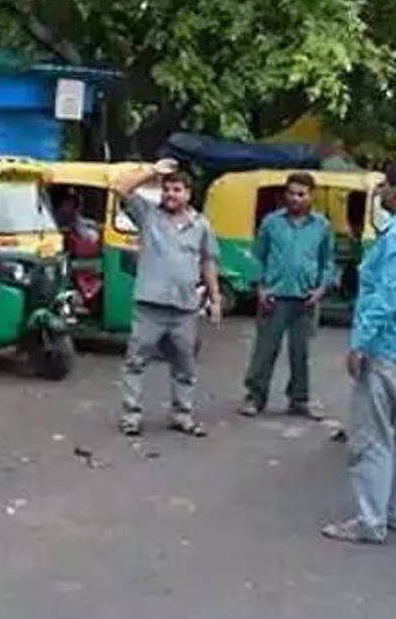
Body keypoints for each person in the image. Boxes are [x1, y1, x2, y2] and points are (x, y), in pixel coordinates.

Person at [322, 160, 396, 544]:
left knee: (372, 438)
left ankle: (370, 520)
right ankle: (394, 511)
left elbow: (386, 295)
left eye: (386, 185)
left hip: (385, 346)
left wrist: (360, 343)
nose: (381, 190)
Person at [113, 159, 223, 437]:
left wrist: (215, 298)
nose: (170, 195)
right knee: (136, 361)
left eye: (177, 190)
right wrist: (153, 171)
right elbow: (119, 188)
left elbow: (208, 261)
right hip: (150, 304)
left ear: (188, 194)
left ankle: (182, 414)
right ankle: (131, 415)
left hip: (185, 307)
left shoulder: (201, 225)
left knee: (184, 364)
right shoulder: (148, 215)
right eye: (167, 189)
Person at [238, 172, 333, 419]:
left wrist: (321, 289)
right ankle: (255, 397)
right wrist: (260, 287)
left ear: (311, 196)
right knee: (265, 349)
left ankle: (299, 400)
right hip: (274, 296)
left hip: (306, 298)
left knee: (301, 352)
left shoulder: (322, 226)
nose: (295, 199)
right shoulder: (271, 222)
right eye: (291, 193)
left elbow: (328, 262)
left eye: (301, 194)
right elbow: (257, 256)